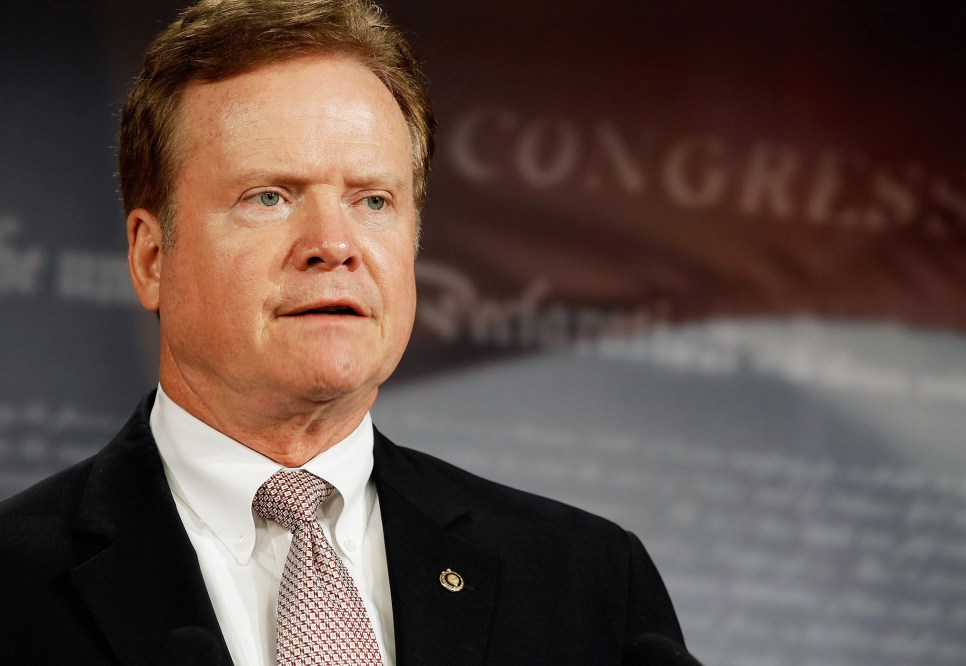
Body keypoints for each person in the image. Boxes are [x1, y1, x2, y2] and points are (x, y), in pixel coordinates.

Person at [0, 1, 684, 664]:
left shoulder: (588, 586)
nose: (334, 244)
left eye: (373, 201)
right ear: (152, 259)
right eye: (269, 196)